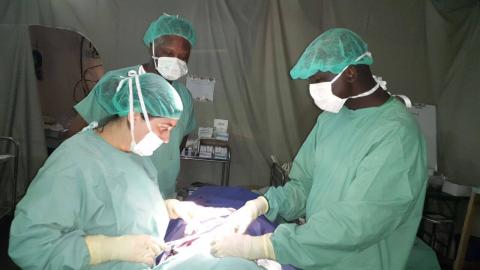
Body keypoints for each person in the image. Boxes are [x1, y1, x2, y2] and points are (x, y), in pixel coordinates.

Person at [210, 28, 428, 270]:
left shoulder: (396, 134)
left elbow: (357, 223)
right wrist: (264, 204)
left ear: (351, 72)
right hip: (314, 256)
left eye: (317, 80)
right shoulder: (330, 120)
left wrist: (266, 247)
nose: (312, 89)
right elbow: (303, 185)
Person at [8, 72, 230, 269]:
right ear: (134, 116)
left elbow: (122, 208)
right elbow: (30, 245)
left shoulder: (138, 157)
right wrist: (108, 248)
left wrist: (168, 208)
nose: (166, 140)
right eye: (164, 128)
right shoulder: (73, 163)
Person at [71, 14, 197, 199]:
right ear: (152, 46)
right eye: (169, 53)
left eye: (183, 56)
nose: (175, 60)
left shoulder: (183, 96)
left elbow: (181, 137)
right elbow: (76, 133)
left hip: (163, 192)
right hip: (119, 194)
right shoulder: (119, 85)